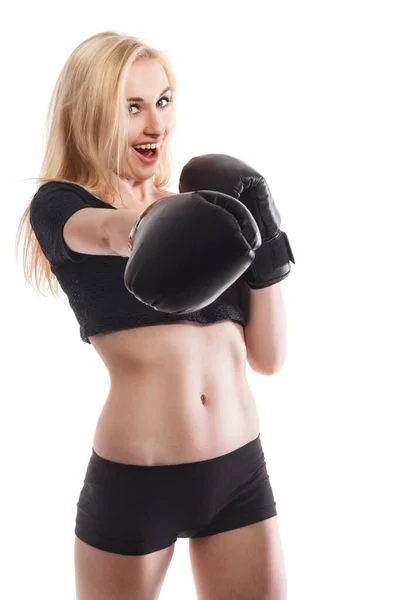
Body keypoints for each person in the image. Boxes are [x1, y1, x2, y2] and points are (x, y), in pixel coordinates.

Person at [17, 31, 292, 600]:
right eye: (133, 107)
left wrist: (267, 248)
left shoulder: (205, 216)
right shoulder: (61, 207)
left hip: (239, 472)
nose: (156, 125)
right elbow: (110, 231)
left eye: (163, 101)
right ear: (91, 114)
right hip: (136, 485)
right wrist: (148, 222)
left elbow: (268, 358)